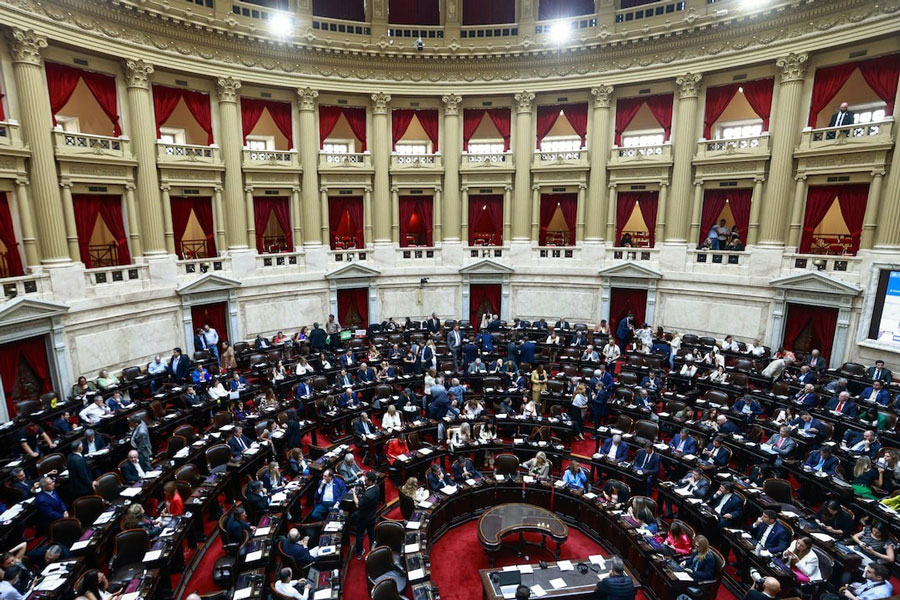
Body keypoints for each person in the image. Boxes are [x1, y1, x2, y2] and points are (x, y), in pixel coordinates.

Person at [823, 563, 892, 600]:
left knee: (827, 596)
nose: (865, 572)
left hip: (854, 597)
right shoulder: (884, 582)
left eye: (869, 572)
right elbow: (867, 586)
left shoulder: (879, 594)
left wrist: (851, 596)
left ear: (878, 577)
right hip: (857, 595)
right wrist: (854, 587)